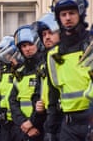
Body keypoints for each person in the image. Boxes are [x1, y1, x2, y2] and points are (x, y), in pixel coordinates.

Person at [45, 0, 93, 140]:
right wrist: (51, 130)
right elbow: (53, 96)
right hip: (68, 125)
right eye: (63, 14)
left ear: (80, 13)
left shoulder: (91, 46)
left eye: (72, 13)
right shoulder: (53, 55)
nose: (68, 18)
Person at [9, 25, 46, 141]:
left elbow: (43, 99)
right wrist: (24, 123)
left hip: (41, 127)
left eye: (30, 44)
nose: (27, 49)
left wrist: (32, 123)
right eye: (24, 46)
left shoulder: (44, 66)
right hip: (23, 128)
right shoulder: (19, 71)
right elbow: (13, 101)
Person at [32, 12, 62, 141]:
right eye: (43, 35)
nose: (47, 37)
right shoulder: (44, 61)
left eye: (50, 33)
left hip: (65, 116)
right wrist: (37, 103)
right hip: (48, 117)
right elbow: (38, 90)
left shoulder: (65, 56)